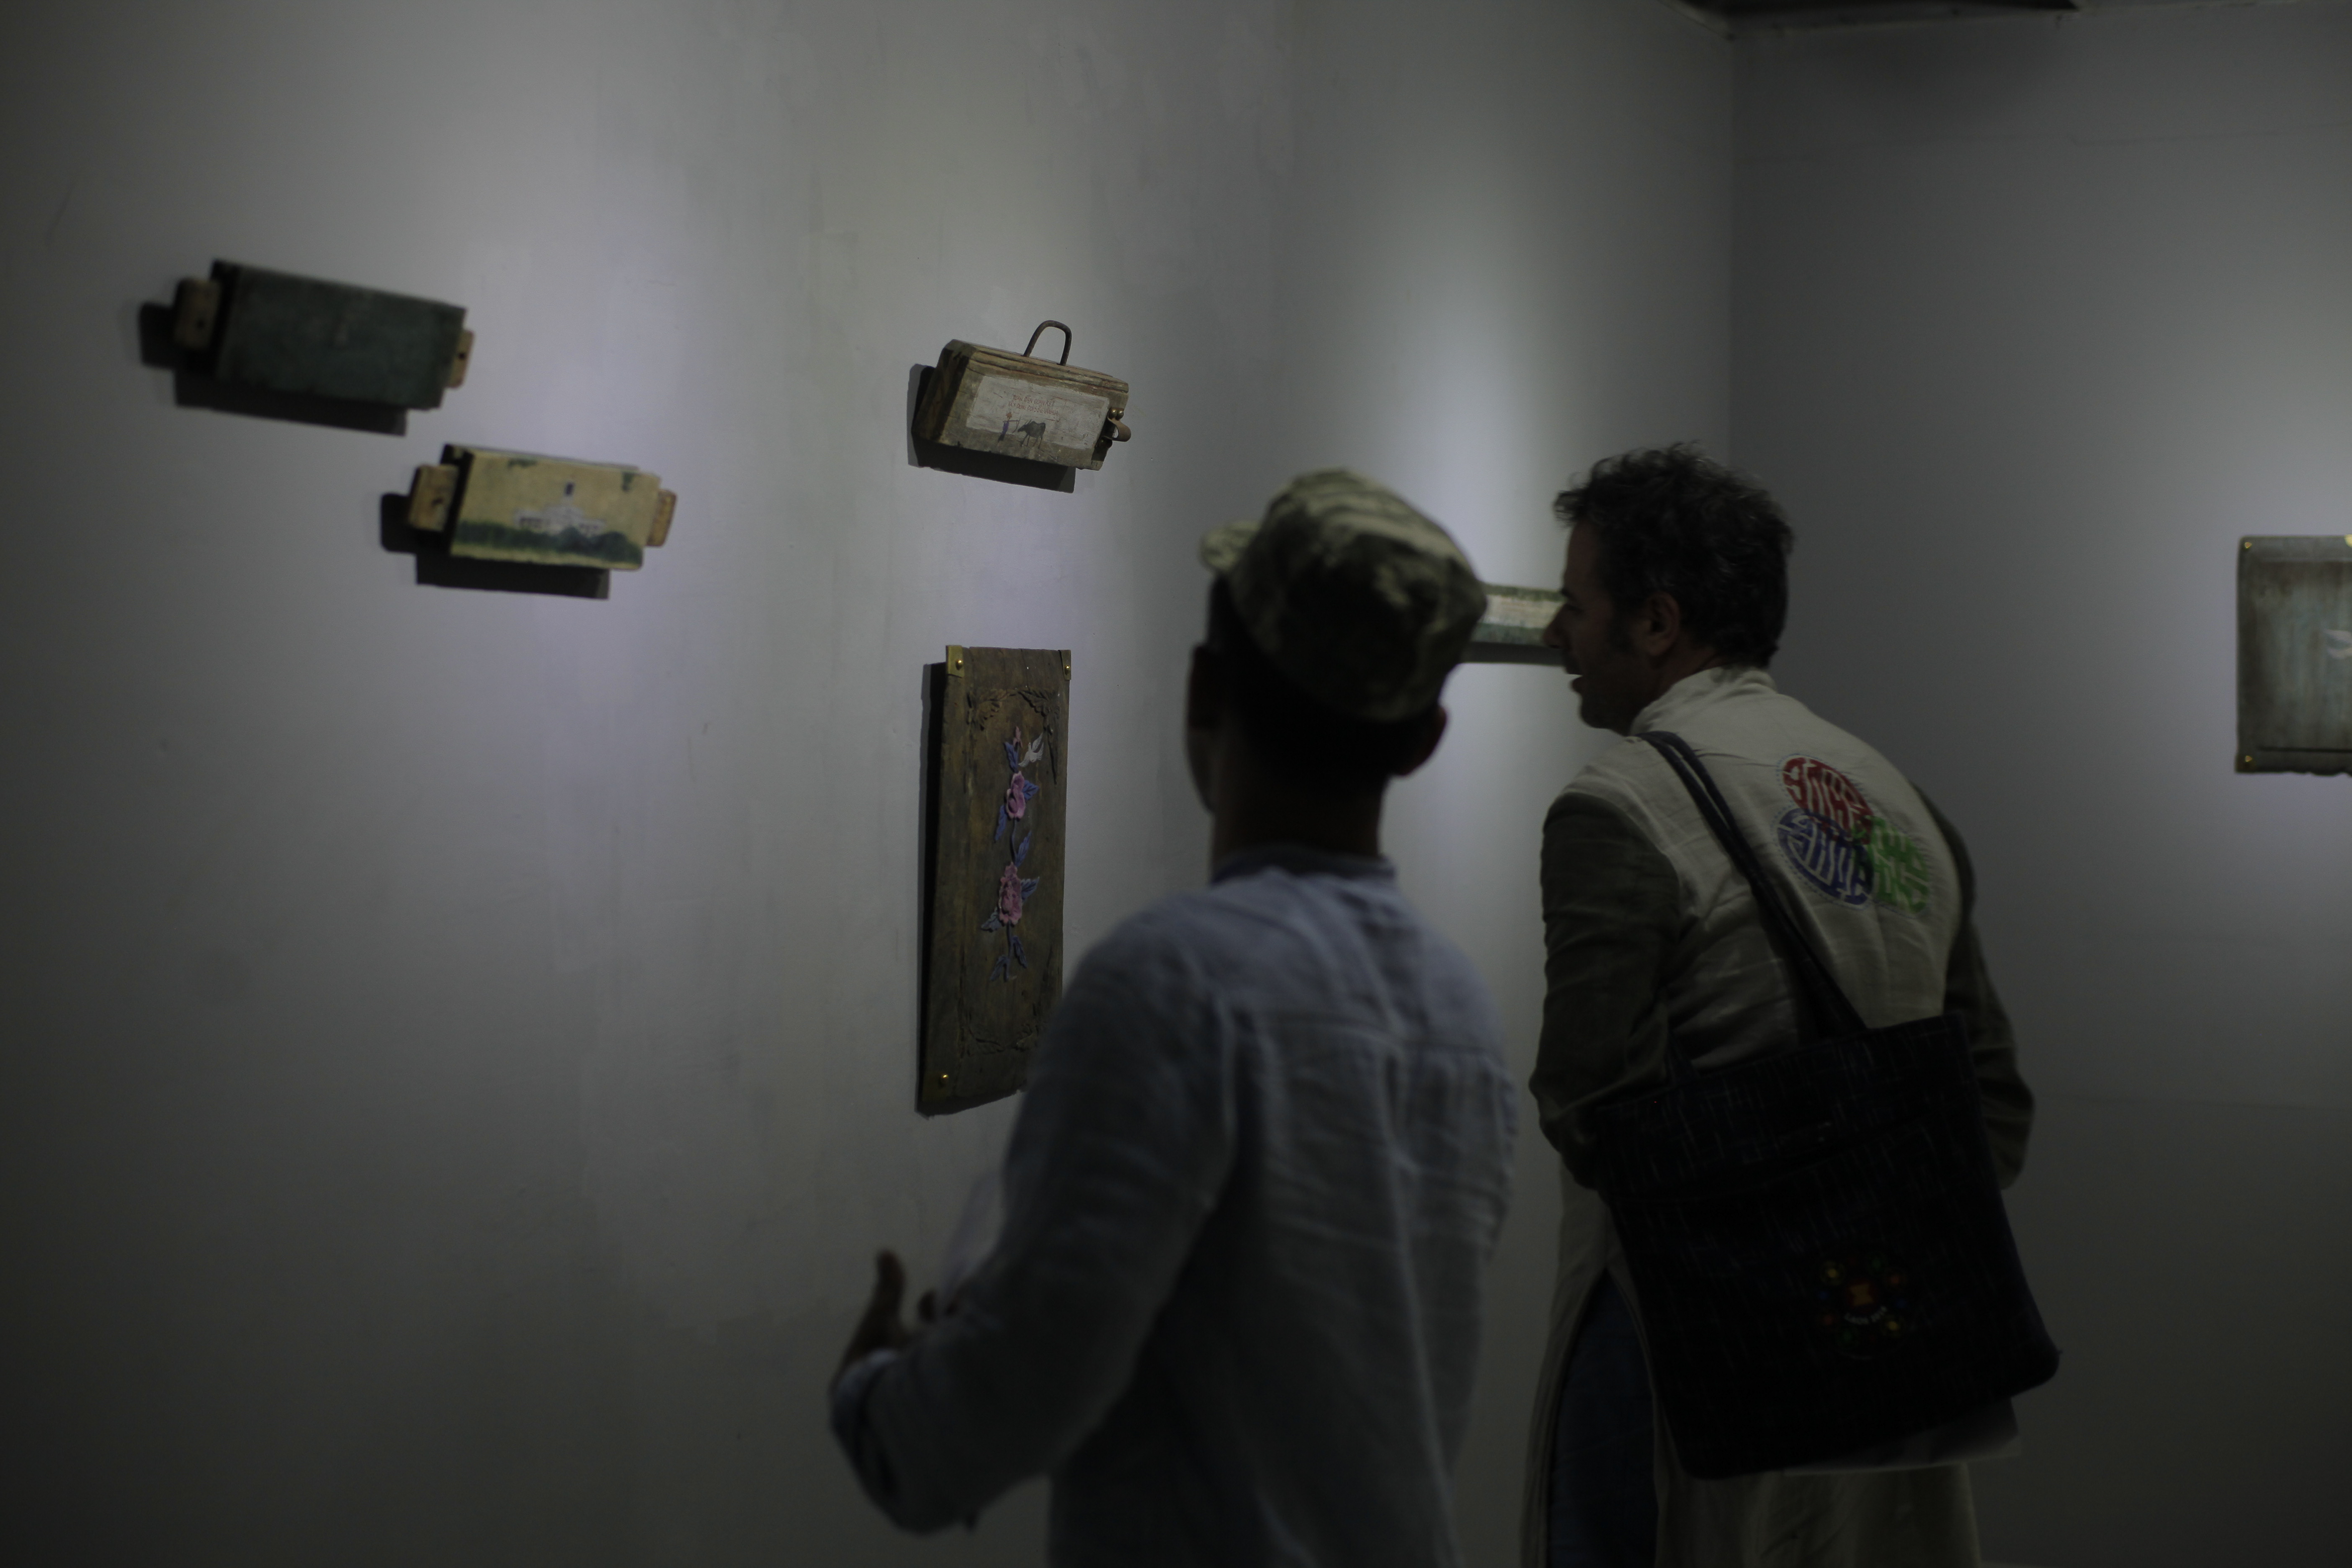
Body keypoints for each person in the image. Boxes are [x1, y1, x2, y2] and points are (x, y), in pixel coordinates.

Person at [831, 468, 1520, 1566]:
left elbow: (1016, 1392)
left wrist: (877, 1398)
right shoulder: (1458, 1006)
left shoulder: (1168, 987)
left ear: (1204, 688)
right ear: (1425, 739)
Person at [1521, 445, 2035, 1568]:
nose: (1557, 633)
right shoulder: (1896, 794)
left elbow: (1590, 1106)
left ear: (1657, 622)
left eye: (1576, 604)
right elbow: (1995, 1107)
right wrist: (1858, 1233)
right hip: (1887, 1340)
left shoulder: (1619, 807)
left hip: (1685, 1345)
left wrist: (1760, 1244)